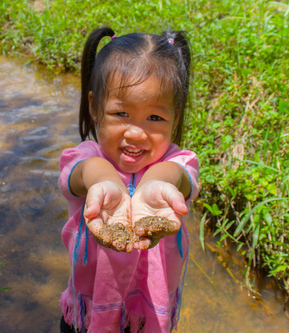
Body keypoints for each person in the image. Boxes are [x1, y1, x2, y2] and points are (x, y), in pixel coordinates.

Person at [58, 26, 199, 333]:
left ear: (176, 118)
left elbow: (180, 176)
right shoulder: (85, 158)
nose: (136, 132)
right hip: (86, 314)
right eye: (121, 113)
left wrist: (153, 184)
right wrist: (106, 183)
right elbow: (84, 172)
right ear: (95, 107)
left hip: (146, 319)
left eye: (155, 118)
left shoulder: (176, 162)